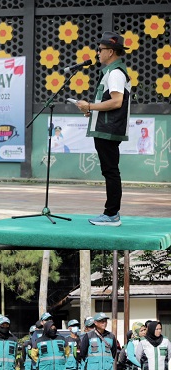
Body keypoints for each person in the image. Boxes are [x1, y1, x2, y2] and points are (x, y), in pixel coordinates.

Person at [76, 31, 131, 227]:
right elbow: (110, 103)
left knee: (110, 171)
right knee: (110, 170)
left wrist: (90, 106)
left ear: (111, 51)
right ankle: (111, 213)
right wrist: (92, 110)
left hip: (108, 130)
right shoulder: (113, 72)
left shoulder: (115, 73)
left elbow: (116, 102)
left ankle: (112, 214)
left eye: (100, 49)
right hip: (107, 127)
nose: (97, 53)